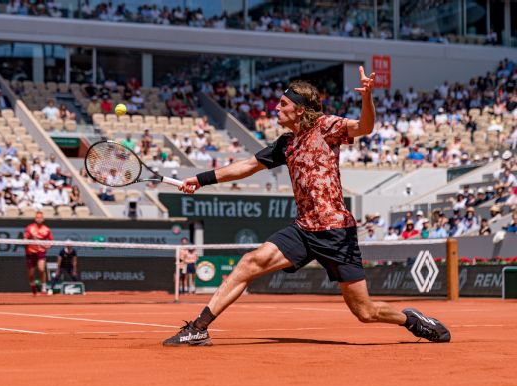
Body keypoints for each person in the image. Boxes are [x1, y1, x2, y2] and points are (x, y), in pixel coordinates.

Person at [162, 68, 450, 346]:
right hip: (303, 229)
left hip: (336, 231)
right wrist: (200, 180)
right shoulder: (286, 143)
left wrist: (367, 98)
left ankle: (411, 320)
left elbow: (365, 127)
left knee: (365, 312)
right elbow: (247, 166)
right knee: (250, 262)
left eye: (283, 104)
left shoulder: (326, 127)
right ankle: (198, 329)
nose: (276, 108)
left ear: (300, 109)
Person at [24, 211, 54, 295]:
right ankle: (33, 286)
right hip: (30, 253)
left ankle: (43, 288)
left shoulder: (46, 229)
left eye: (40, 218)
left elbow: (51, 242)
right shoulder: (30, 228)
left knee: (41, 269)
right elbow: (25, 238)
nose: (39, 219)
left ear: (43, 219)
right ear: (35, 219)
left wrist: (46, 246)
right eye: (37, 217)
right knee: (31, 273)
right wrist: (28, 241)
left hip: (41, 252)